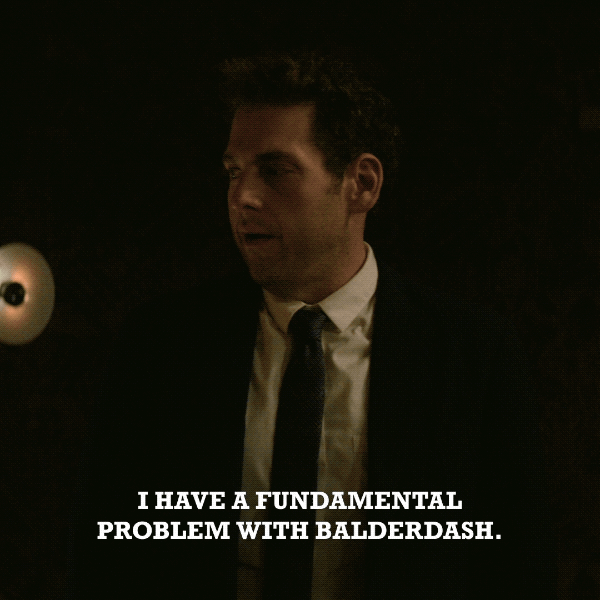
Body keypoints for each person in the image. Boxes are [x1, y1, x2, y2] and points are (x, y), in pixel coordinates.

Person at [74, 51, 555, 599]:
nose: (242, 197)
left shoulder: (473, 356)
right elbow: (104, 555)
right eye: (234, 172)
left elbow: (517, 564)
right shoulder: (162, 345)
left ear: (361, 183)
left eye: (275, 170)